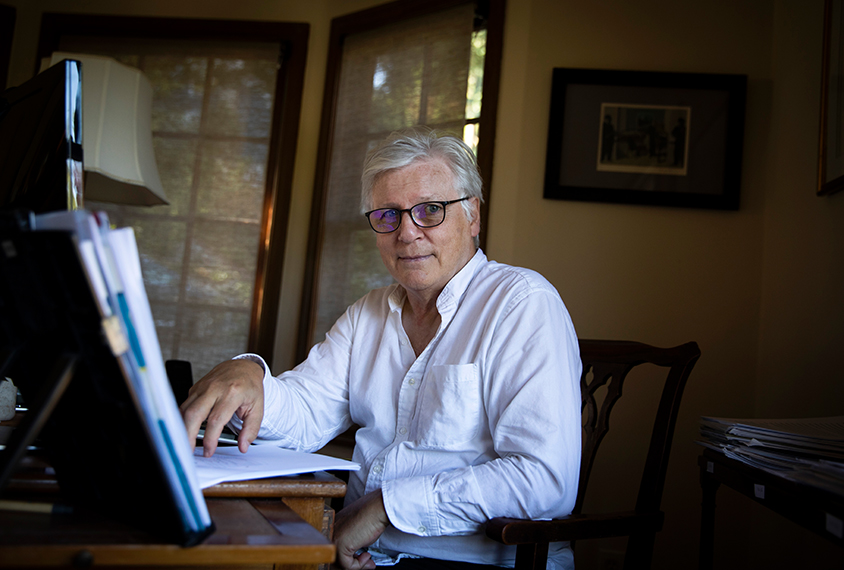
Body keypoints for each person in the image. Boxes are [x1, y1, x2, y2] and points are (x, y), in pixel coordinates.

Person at [180, 128, 582, 570]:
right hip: (359, 555)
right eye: (388, 215)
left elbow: (545, 480)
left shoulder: (522, 303)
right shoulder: (367, 313)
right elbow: (306, 413)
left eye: (430, 210)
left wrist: (386, 507)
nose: (407, 233)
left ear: (473, 217)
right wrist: (250, 376)